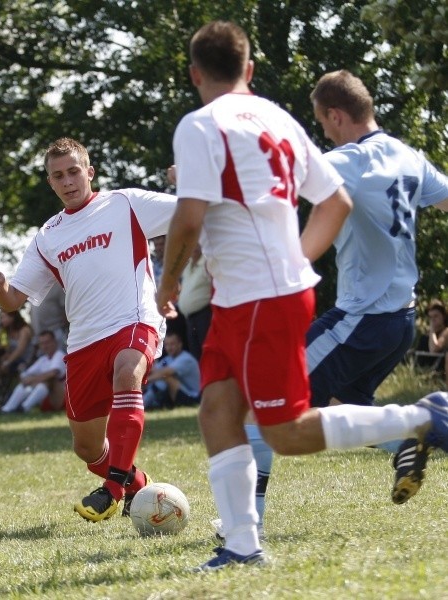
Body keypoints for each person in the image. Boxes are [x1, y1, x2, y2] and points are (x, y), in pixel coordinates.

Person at [156, 21, 448, 572]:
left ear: (195, 74)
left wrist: (167, 283)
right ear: (250, 70)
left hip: (262, 300)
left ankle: (417, 417)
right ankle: (242, 545)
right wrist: (295, 257)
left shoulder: (199, 126)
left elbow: (189, 218)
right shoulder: (279, 118)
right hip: (254, 297)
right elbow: (333, 203)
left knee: (284, 431)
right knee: (218, 407)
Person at [245, 69, 448, 534]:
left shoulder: (345, 161)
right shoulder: (407, 155)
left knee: (265, 399)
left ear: (336, 115)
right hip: (400, 322)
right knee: (342, 407)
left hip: (362, 318)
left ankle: (245, 523)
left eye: (322, 122)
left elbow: (279, 186)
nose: (324, 131)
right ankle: (407, 442)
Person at [0, 136, 179, 522]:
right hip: (85, 340)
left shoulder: (125, 203)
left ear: (89, 172)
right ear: (50, 183)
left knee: (128, 374)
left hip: (134, 320)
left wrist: (187, 180)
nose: (68, 181)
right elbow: (14, 301)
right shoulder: (48, 236)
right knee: (88, 449)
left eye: (74, 171)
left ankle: (113, 489)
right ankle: (135, 483)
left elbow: (194, 209)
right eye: (58, 176)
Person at [0, 330, 66, 414]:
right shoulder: (43, 359)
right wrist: (27, 378)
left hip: (63, 398)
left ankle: (24, 408)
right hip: (47, 398)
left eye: (47, 342)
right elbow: (25, 377)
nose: (45, 346)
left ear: (54, 342)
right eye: (42, 343)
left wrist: (32, 379)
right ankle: (7, 408)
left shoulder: (60, 355)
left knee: (49, 380)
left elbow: (52, 373)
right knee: (27, 383)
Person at [142, 331, 200, 410]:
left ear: (180, 344)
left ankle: (144, 404)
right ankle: (144, 401)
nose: (169, 347)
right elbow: (155, 370)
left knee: (166, 377)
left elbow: (166, 372)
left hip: (194, 397)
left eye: (172, 344)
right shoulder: (167, 359)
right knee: (157, 377)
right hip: (179, 394)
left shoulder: (186, 358)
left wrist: (146, 380)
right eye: (167, 345)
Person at [177, 244, 212, 362]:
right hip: (189, 319)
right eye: (193, 245)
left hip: (205, 315)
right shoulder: (187, 266)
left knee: (208, 353)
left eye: (197, 245)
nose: (195, 248)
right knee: (196, 356)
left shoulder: (207, 263)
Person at [28, 283, 69, 352]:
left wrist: (65, 329)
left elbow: (65, 309)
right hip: (39, 334)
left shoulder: (57, 285)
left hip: (56, 332)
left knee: (60, 356)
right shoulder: (34, 287)